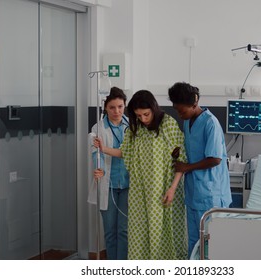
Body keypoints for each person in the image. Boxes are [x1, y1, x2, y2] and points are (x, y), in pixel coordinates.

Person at [94, 90, 187, 260]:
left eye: (146, 114)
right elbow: (125, 152)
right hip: (139, 191)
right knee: (138, 233)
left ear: (153, 108)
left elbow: (180, 161)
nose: (143, 119)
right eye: (138, 115)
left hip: (164, 190)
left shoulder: (167, 124)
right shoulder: (135, 127)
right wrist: (103, 149)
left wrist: (172, 188)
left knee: (164, 233)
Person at [168, 82, 232, 258]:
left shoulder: (210, 123)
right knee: (194, 241)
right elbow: (194, 149)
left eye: (182, 111)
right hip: (195, 192)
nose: (180, 115)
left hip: (211, 193)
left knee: (212, 242)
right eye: (177, 110)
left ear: (194, 104)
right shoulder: (189, 122)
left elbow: (216, 158)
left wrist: (187, 167)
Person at [89, 87, 130, 260]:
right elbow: (95, 152)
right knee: (110, 231)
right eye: (112, 107)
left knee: (124, 231)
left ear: (125, 106)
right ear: (105, 107)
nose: (117, 111)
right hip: (109, 185)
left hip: (128, 185)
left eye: (120, 106)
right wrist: (98, 168)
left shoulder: (131, 125)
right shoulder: (98, 128)